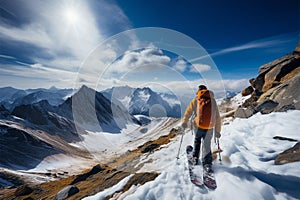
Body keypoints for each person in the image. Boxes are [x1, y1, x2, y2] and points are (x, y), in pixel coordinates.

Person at [181, 85, 221, 173]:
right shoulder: (213, 101)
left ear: (199, 91)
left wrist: (184, 122)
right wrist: (217, 131)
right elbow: (217, 117)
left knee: (197, 141)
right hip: (209, 127)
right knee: (207, 144)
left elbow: (188, 112)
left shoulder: (196, 100)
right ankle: (207, 164)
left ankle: (195, 157)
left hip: (198, 126)